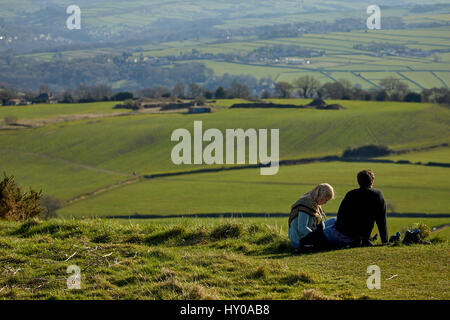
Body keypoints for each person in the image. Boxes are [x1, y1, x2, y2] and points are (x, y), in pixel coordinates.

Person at [324, 169, 388, 248]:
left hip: (342, 234)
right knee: (333, 220)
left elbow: (340, 216)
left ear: (358, 181)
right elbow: (382, 221)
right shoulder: (377, 195)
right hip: (359, 237)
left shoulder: (350, 194)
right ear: (372, 182)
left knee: (321, 231)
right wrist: (384, 241)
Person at [288, 183, 335, 251]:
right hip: (300, 240)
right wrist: (319, 238)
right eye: (326, 200)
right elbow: (302, 228)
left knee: (335, 220)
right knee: (334, 228)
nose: (326, 203)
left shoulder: (313, 202)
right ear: (321, 196)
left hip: (311, 233)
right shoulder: (306, 204)